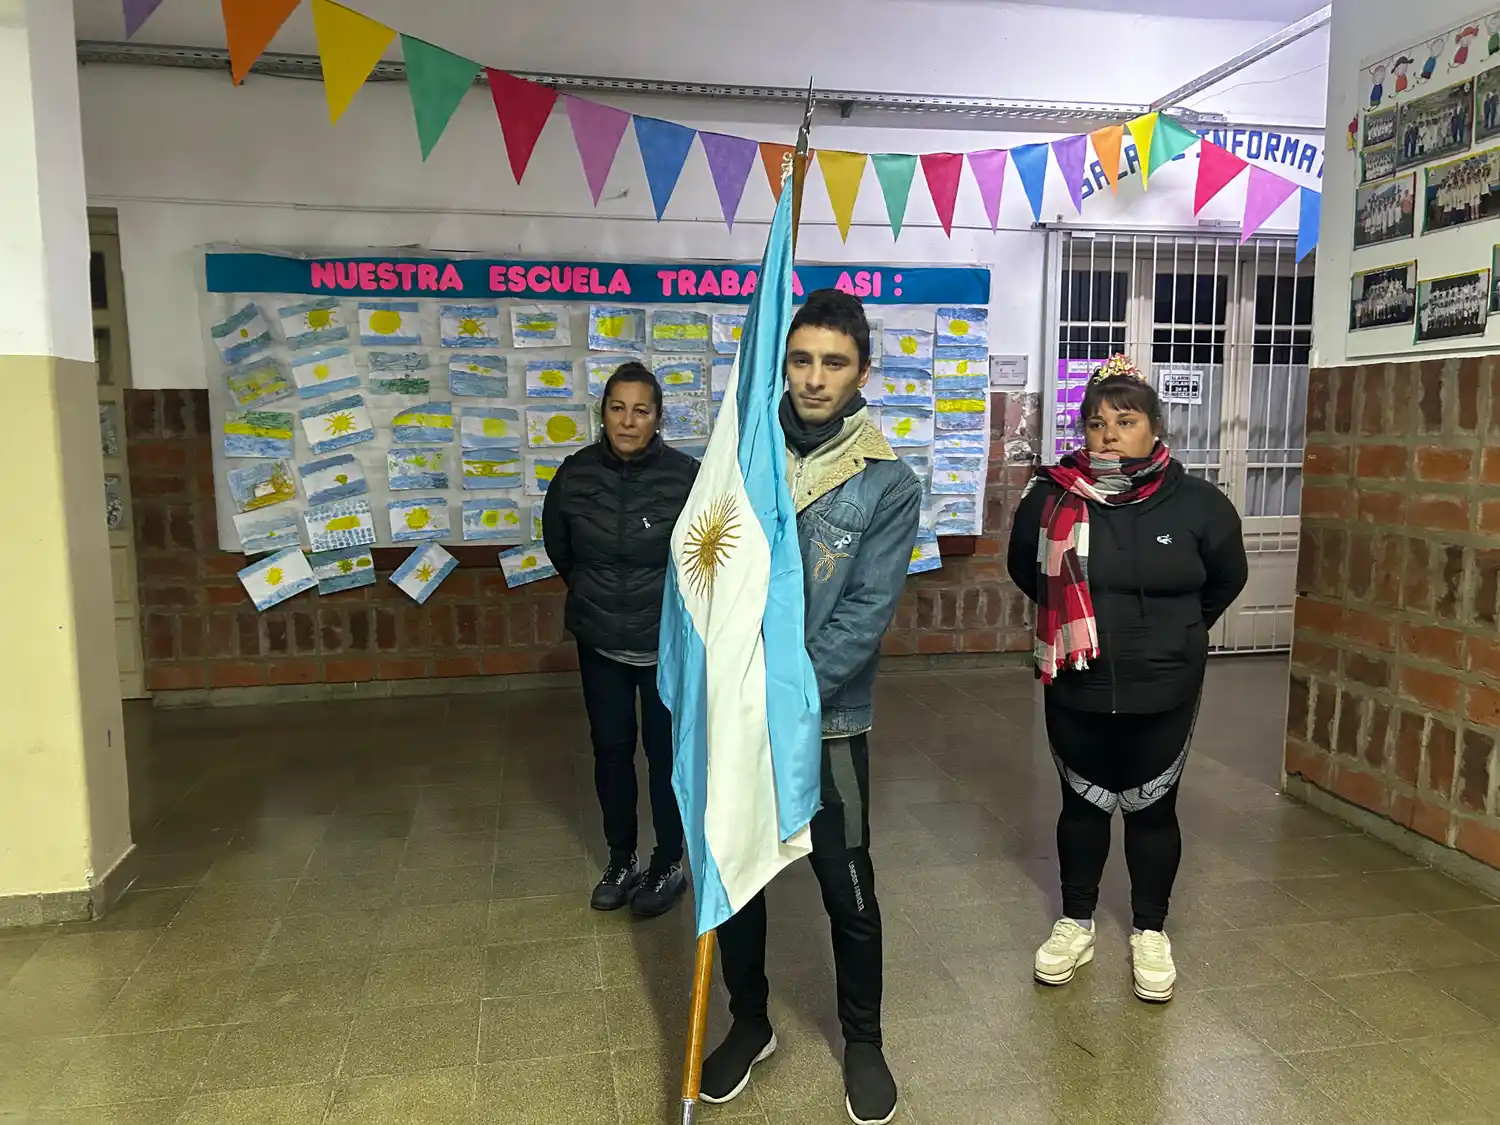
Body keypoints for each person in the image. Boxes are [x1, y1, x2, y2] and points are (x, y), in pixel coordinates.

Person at [699, 290, 921, 1125]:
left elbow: (864, 615)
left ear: (862, 371)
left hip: (826, 721)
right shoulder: (742, 456)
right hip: (735, 715)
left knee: (845, 879)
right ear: (782, 365)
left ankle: (862, 1038)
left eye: (834, 362)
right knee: (738, 875)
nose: (815, 378)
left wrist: (780, 700)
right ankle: (749, 1019)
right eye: (801, 360)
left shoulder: (886, 482)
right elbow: (703, 571)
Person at [1006, 354, 1247, 1004]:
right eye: (1095, 421)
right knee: (1081, 807)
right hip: (1076, 682)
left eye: (1125, 419)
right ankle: (1075, 921)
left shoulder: (1199, 504)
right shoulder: (1051, 498)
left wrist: (1171, 637)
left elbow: (1227, 578)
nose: (1108, 432)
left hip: (1163, 688)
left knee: (1152, 809)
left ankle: (1149, 929)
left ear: (1154, 427)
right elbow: (1025, 571)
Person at [541, 361, 698, 917]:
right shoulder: (575, 474)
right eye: (617, 408)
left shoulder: (687, 477)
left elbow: (707, 554)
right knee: (610, 751)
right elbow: (560, 548)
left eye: (641, 410)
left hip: (666, 646)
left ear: (658, 419)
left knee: (663, 755)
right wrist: (595, 593)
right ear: (602, 412)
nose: (628, 421)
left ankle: (668, 863)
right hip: (601, 638)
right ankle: (621, 858)